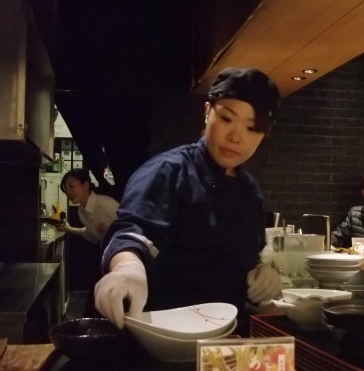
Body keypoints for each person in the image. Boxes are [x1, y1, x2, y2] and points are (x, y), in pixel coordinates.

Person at [95, 67, 283, 331]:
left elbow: (241, 255)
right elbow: (133, 233)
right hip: (163, 337)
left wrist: (259, 272)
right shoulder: (168, 171)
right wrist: (127, 267)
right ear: (207, 111)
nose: (236, 137)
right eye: (227, 118)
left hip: (226, 342)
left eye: (253, 128)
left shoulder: (249, 191)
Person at [56, 168, 119, 244]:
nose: (68, 192)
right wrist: (68, 228)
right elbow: (88, 233)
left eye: (71, 186)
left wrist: (112, 230)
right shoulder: (81, 211)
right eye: (66, 189)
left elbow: (130, 227)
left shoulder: (106, 204)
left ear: (85, 185)